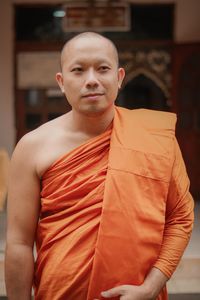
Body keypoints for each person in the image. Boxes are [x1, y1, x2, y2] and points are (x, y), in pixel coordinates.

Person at [5, 32, 194, 300]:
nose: (91, 80)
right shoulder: (33, 147)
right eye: (78, 70)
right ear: (61, 81)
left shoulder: (154, 137)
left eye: (102, 69)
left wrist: (151, 287)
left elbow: (180, 218)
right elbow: (19, 243)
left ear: (118, 78)